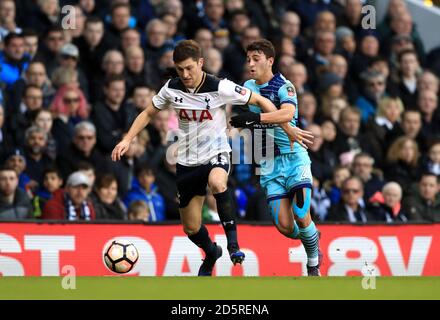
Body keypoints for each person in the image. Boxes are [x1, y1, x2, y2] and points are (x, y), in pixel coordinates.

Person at [112, 40, 299, 276]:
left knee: (218, 183)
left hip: (216, 152)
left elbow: (260, 100)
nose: (186, 74)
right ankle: (211, 251)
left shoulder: (220, 87)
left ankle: (233, 245)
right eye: (180, 69)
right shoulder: (171, 88)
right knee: (191, 228)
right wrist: (127, 139)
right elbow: (149, 112)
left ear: (201, 63)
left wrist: (288, 127)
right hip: (187, 161)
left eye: (190, 67)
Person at [229, 39, 322, 276]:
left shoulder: (284, 86)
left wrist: (254, 119)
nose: (250, 63)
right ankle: (312, 235)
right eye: (248, 59)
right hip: (268, 163)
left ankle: (313, 264)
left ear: (270, 61)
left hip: (294, 158)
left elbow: (288, 113)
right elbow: (240, 114)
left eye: (256, 59)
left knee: (301, 215)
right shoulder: (248, 85)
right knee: (285, 227)